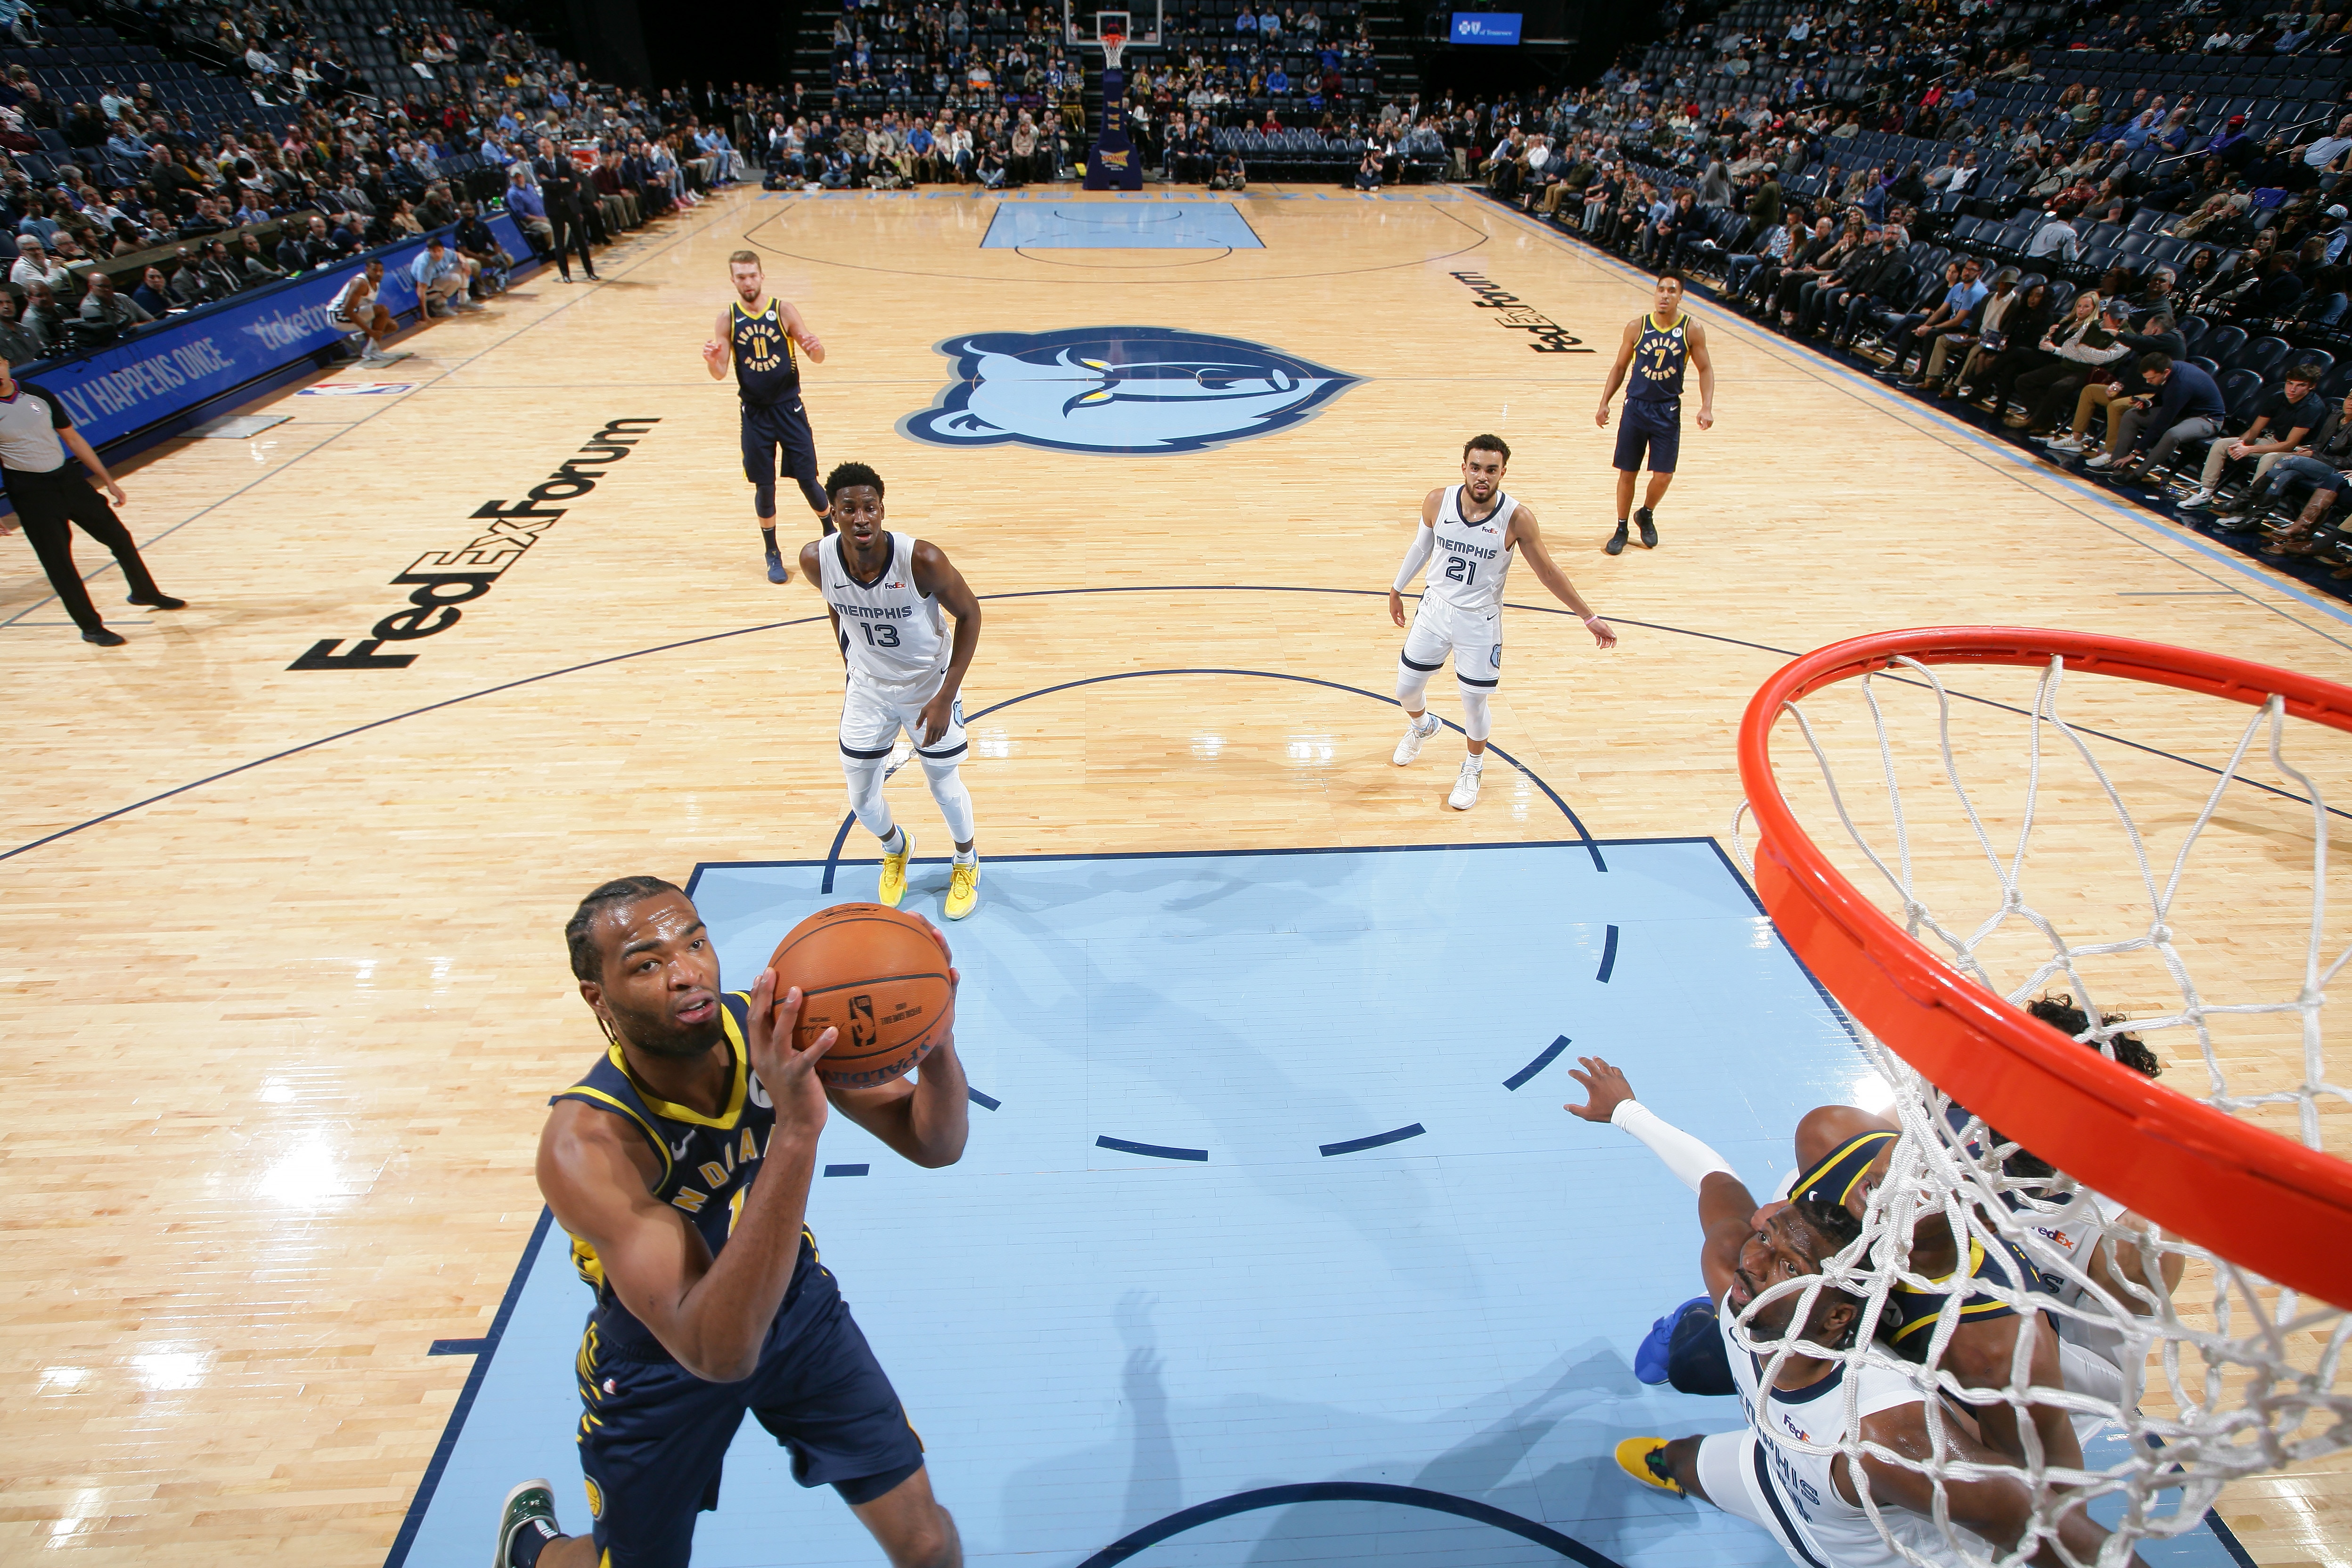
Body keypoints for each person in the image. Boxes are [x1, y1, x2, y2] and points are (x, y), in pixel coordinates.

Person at [493, 877, 967, 1568]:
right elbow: (718, 1352)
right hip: (663, 1354)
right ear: (599, 997)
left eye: (695, 943)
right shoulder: (585, 1146)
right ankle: (532, 1553)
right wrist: (799, 1129)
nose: (687, 974)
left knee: (927, 1546)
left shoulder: (770, 1030)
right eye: (648, 964)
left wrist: (936, 1039)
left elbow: (935, 1144)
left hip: (795, 1308)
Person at [1565, 1057, 2139, 1568]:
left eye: (1785, 1267)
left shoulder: (1890, 1433)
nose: (1755, 1267)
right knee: (1686, 1453)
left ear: (1838, 1319)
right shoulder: (1738, 1271)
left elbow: (2057, 1532)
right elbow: (1716, 1182)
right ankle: (1678, 1457)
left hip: (1865, 1539)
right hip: (1776, 1474)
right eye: (1764, 1240)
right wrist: (1627, 1112)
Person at [1386, 433, 1617, 812]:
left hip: (1479, 623)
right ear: (1464, 467)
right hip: (1434, 611)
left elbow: (1547, 571)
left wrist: (1588, 617)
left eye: (1491, 470)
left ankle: (1473, 767)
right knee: (1406, 690)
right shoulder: (1436, 501)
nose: (1482, 476)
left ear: (1503, 472)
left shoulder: (1517, 518)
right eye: (1475, 468)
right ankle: (1423, 726)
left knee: (1473, 702)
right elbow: (1421, 547)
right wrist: (1397, 588)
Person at [797, 463, 985, 921]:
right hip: (869, 689)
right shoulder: (813, 559)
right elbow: (837, 607)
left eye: (869, 507)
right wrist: (850, 663)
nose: (861, 517)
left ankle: (966, 860)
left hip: (929, 687)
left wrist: (946, 695)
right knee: (861, 796)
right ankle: (897, 846)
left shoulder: (922, 559)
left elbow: (972, 615)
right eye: (849, 509)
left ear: (882, 510)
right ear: (834, 514)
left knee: (943, 784)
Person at [0, 357, 183, 646]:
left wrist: (107, 479)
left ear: (7, 364)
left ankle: (144, 592)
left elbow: (72, 439)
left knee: (119, 537)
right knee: (59, 562)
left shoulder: (39, 394)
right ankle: (91, 627)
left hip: (68, 481)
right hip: (31, 493)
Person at [704, 250, 831, 584]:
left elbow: (816, 357)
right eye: (740, 276)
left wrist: (815, 347)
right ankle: (772, 552)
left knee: (808, 479)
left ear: (762, 276)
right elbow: (719, 373)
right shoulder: (727, 318)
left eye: (752, 275)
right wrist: (712, 360)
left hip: (789, 408)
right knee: (765, 486)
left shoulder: (783, 310)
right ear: (733, 280)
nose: (747, 281)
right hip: (755, 414)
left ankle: (832, 535)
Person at [1597, 271, 1716, 554]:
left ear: (1680, 296)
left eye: (1671, 291)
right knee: (1628, 472)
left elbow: (1706, 369)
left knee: (1664, 475)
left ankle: (1646, 513)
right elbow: (1620, 367)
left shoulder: (1691, 329)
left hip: (1667, 410)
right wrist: (1604, 402)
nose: (1665, 295)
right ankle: (1622, 526)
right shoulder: (1637, 327)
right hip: (1636, 406)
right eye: (1661, 289)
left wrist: (1706, 405)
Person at [2179, 362, 2325, 510]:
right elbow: (2255, 429)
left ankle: (2247, 505)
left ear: (2311, 387)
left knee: (2268, 459)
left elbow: (2290, 445)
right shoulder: (2277, 397)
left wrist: (2249, 450)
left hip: (2298, 452)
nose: (2292, 389)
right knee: (2221, 445)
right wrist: (2242, 444)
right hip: (2273, 441)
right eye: (2290, 383)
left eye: (2300, 385)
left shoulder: (2312, 407)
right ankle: (2206, 493)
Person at [329, 258, 408, 368]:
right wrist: (371, 332)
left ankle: (362, 338)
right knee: (382, 310)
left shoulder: (376, 283)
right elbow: (347, 310)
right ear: (367, 269)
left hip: (353, 314)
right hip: (338, 316)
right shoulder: (360, 283)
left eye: (381, 271)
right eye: (375, 270)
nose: (379, 274)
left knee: (391, 326)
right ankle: (371, 350)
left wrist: (372, 330)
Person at [410, 234, 481, 316]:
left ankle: (464, 302)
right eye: (434, 251)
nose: (437, 254)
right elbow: (421, 290)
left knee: (465, 265)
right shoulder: (425, 264)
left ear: (443, 249)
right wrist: (424, 316)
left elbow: (459, 255)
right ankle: (439, 306)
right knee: (455, 278)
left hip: (439, 281)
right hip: (429, 292)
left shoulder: (446, 252)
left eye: (439, 251)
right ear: (429, 251)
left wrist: (465, 263)